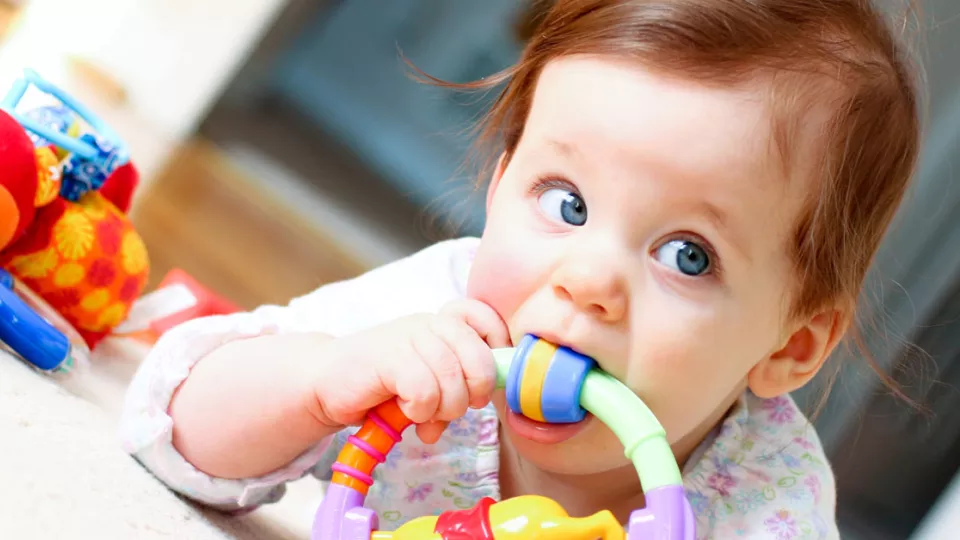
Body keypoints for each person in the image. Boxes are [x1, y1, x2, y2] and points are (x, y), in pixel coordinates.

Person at [119, 0, 921, 537]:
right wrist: (323, 382)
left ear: (791, 347)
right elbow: (173, 432)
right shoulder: (425, 325)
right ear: (501, 184)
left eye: (688, 256)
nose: (587, 283)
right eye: (567, 202)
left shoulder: (766, 498)